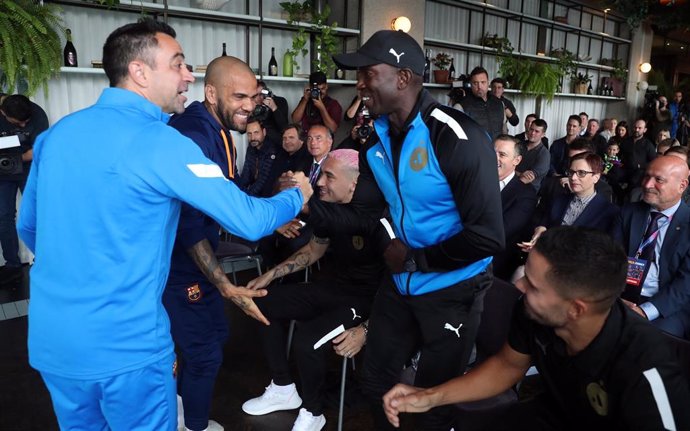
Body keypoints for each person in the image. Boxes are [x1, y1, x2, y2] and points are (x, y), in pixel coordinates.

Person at [16, 19, 312, 431]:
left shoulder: (56, 135)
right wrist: (298, 193)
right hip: (127, 348)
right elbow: (248, 217)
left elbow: (30, 231)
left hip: (55, 344)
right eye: (178, 64)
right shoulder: (161, 142)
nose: (189, 75)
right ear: (139, 72)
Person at [333, 29, 504, 430]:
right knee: (373, 378)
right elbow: (375, 207)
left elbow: (488, 237)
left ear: (403, 78)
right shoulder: (375, 138)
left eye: (367, 74)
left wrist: (415, 259)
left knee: (433, 400)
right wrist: (391, 242)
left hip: (453, 290)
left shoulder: (456, 136)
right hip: (402, 282)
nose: (359, 84)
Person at [383, 226, 690, 431]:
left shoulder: (646, 369)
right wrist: (430, 396)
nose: (519, 287)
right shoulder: (534, 312)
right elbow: (507, 365)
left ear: (576, 309)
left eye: (533, 285)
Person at [162, 55, 278, 431]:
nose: (250, 105)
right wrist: (225, 284)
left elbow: (227, 193)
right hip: (181, 268)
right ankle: (191, 425)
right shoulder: (194, 134)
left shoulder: (220, 130)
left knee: (216, 334)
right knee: (204, 354)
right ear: (211, 93)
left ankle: (178, 407)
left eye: (255, 96)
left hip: (200, 260)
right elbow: (188, 225)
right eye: (240, 96)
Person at [241, 149, 387, 431]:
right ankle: (283, 387)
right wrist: (269, 276)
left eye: (329, 176)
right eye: (320, 175)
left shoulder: (378, 221)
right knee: (262, 303)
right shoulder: (329, 211)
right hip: (331, 289)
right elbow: (314, 250)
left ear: (354, 184)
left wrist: (366, 331)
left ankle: (313, 411)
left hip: (365, 301)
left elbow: (397, 289)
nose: (320, 182)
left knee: (307, 340)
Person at [615, 156, 690, 338]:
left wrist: (645, 311)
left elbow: (685, 283)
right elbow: (609, 257)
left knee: (645, 342)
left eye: (659, 180)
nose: (647, 184)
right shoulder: (629, 212)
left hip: (666, 305)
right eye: (647, 176)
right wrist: (615, 297)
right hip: (621, 294)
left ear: (682, 186)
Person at [520, 152, 619, 253]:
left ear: (596, 177)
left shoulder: (609, 212)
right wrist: (540, 230)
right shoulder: (558, 200)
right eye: (571, 172)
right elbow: (544, 223)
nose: (573, 178)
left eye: (581, 173)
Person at [0, 94, 48, 285]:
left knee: (38, 214)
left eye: (25, 123)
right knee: (4, 217)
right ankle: (12, 265)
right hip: (3, 174)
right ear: (2, 112)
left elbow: (38, 150)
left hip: (29, 170)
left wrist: (13, 159)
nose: (22, 126)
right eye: (17, 123)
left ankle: (44, 260)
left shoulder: (37, 114)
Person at [493, 135, 537, 281]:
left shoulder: (526, 194)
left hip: (495, 265)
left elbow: (502, 231)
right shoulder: (474, 181)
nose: (494, 158)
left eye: (502, 155)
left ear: (516, 161)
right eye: (492, 152)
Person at [455, 66, 506, 139]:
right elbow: (457, 135)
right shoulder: (461, 106)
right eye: (475, 83)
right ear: (471, 84)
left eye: (483, 82)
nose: (479, 87)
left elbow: (504, 129)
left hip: (496, 149)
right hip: (474, 149)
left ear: (488, 83)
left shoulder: (499, 104)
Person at [238, 118, 278, 197]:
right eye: (249, 134)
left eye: (256, 133)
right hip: (254, 193)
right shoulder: (251, 148)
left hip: (268, 195)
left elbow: (263, 181)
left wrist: (245, 196)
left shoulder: (271, 150)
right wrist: (239, 191)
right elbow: (246, 173)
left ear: (264, 132)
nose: (252, 138)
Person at [516, 118, 550, 191]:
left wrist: (513, 173)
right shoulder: (519, 145)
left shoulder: (544, 154)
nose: (532, 133)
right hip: (509, 182)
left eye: (537, 131)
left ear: (543, 135)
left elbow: (527, 178)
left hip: (528, 190)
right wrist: (520, 174)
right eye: (531, 129)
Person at [253, 80, 289, 144]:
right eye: (255, 95)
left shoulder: (280, 101)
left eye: (261, 94)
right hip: (258, 143)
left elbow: (284, 128)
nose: (259, 98)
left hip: (277, 144)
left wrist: (274, 108)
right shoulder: (252, 104)